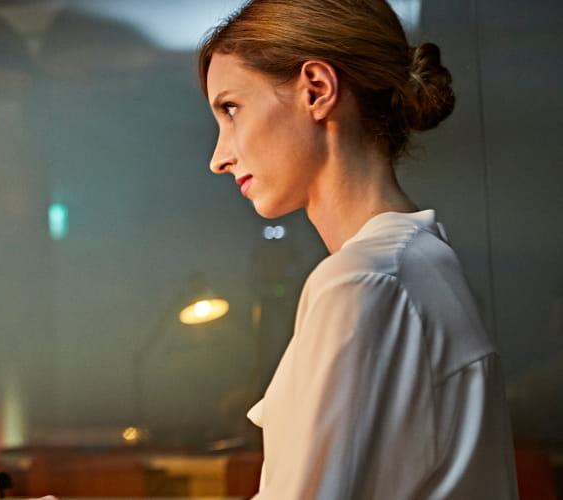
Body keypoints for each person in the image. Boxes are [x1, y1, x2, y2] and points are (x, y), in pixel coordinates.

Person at [198, 0, 518, 498]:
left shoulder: (366, 281)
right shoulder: (415, 262)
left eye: (231, 108)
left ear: (317, 89)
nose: (220, 158)